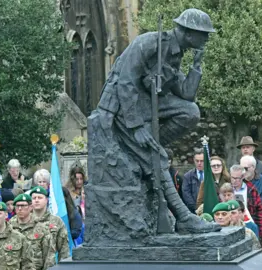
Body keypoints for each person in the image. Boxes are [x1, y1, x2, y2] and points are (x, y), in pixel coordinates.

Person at [94, 8, 219, 234]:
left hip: (144, 104)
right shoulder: (149, 43)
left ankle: (155, 143)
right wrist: (137, 127)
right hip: (121, 109)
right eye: (204, 34)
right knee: (157, 157)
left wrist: (197, 65)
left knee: (190, 112)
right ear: (190, 33)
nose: (207, 39)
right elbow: (125, 83)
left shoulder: (177, 53)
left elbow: (185, 94)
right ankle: (183, 217)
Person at [9, 193, 55, 270]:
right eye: (17, 206)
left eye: (23, 206)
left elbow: (48, 256)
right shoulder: (9, 228)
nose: (20, 209)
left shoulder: (41, 228)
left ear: (30, 207)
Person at [30, 186, 70, 262]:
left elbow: (64, 249)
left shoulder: (56, 221)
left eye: (40, 198)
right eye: (34, 198)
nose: (36, 200)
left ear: (46, 200)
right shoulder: (26, 220)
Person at [229, 165, 262, 238]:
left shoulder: (252, 189)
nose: (234, 180)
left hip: (248, 225)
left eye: (237, 178)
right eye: (232, 178)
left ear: (243, 177)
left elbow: (259, 211)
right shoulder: (226, 190)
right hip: (230, 226)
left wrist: (260, 232)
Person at [182, 149, 204, 214]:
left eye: (202, 161)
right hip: (193, 211)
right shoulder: (188, 176)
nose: (199, 163)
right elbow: (186, 195)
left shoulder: (211, 175)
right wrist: (197, 208)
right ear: (194, 160)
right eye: (197, 161)